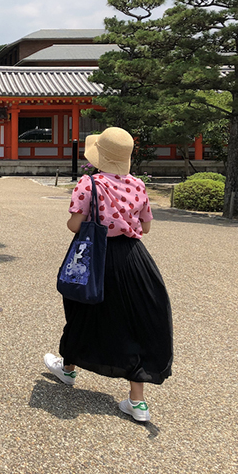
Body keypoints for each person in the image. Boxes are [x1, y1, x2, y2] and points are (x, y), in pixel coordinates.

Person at [43, 127, 173, 423]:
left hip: (96, 256)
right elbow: (147, 228)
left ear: (99, 156)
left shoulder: (89, 184)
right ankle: (138, 403)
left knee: (81, 309)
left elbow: (75, 226)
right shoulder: (139, 185)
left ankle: (68, 370)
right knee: (135, 321)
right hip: (133, 259)